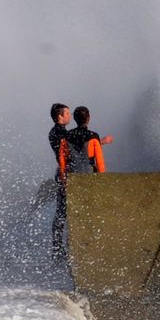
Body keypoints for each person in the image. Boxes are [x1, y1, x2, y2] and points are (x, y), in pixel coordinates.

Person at [48, 103, 72, 259]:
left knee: (62, 212)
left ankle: (58, 247)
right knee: (62, 213)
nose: (70, 116)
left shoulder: (59, 131)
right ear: (60, 117)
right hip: (64, 174)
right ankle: (58, 249)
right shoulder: (59, 133)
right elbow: (66, 155)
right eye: (67, 113)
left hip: (63, 173)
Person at [63, 105, 114, 174]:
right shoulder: (93, 136)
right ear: (88, 118)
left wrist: (63, 176)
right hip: (89, 173)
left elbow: (62, 159)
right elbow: (99, 161)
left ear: (74, 118)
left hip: (73, 173)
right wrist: (102, 176)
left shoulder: (67, 136)